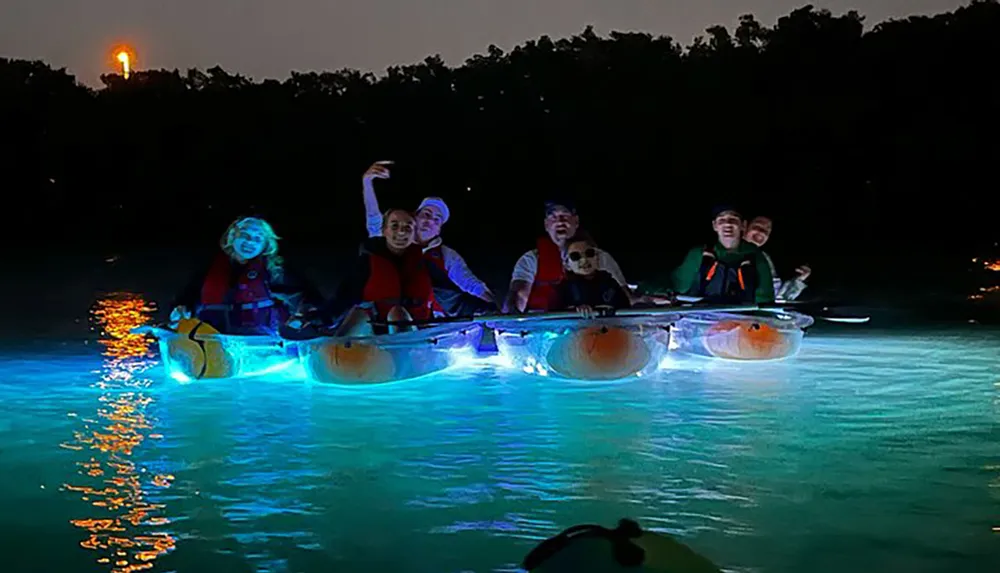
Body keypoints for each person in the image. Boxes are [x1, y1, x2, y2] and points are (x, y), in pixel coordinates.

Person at [361, 161, 496, 316]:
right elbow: (373, 219)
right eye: (425, 214)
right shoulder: (393, 241)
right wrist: (367, 182)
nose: (430, 221)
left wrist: (493, 306)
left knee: (427, 268)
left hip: (430, 318)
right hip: (389, 312)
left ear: (438, 230)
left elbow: (471, 284)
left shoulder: (447, 255)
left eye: (437, 219)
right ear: (414, 218)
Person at [169, 216, 322, 335]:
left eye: (258, 239)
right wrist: (181, 309)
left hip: (258, 338)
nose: (250, 242)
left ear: (265, 245)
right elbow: (189, 294)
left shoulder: (275, 270)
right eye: (245, 235)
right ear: (232, 237)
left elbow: (306, 295)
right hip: (213, 335)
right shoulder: (208, 266)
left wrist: (303, 316)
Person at [319, 208, 438, 337]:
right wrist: (321, 318)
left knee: (397, 313)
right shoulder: (367, 262)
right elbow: (345, 296)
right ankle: (335, 348)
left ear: (414, 234)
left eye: (408, 228)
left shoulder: (426, 262)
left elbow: (449, 295)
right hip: (376, 330)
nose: (401, 231)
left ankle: (404, 353)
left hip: (415, 332)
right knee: (360, 312)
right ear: (384, 231)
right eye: (394, 226)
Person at [503, 199, 630, 313]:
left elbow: (626, 297)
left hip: (596, 328)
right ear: (546, 224)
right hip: (544, 329)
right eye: (553, 217)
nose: (560, 221)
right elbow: (518, 296)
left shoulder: (601, 257)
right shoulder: (531, 260)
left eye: (565, 215)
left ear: (576, 221)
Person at [671, 206, 775, 304]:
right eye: (721, 220)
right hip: (699, 317)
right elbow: (677, 287)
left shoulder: (756, 257)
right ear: (714, 226)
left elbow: (765, 300)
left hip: (741, 319)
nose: (728, 224)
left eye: (733, 220)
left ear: (743, 225)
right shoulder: (698, 254)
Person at [556, 234, 632, 318]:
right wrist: (575, 310)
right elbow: (554, 319)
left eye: (589, 253)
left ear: (597, 257)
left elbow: (626, 310)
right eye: (575, 256)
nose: (584, 260)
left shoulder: (610, 282)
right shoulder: (563, 289)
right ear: (566, 264)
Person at [743, 215, 811, 301]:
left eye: (767, 231)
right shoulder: (726, 252)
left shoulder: (764, 258)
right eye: (757, 226)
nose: (762, 233)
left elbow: (778, 298)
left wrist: (799, 280)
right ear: (744, 226)